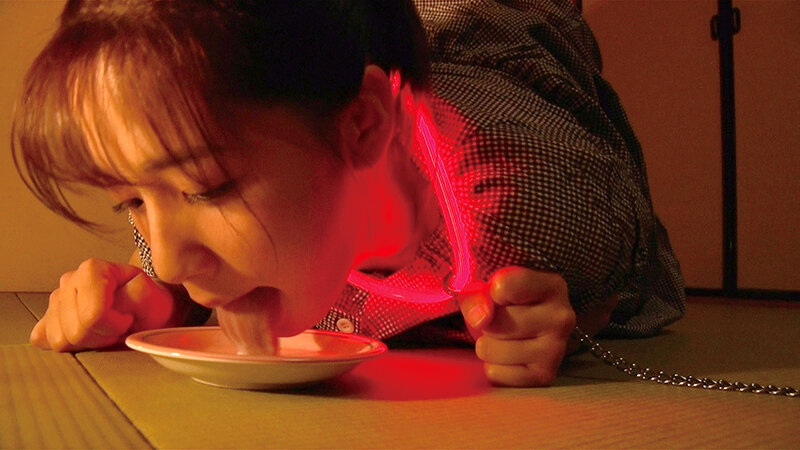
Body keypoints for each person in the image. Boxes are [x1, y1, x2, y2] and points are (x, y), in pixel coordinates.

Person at [12, 0, 685, 387]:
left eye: (206, 188)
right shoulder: (185, 201)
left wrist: (573, 320)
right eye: (132, 200)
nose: (165, 254)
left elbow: (640, 276)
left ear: (361, 124)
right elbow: (165, 260)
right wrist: (157, 301)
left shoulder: (523, 205)